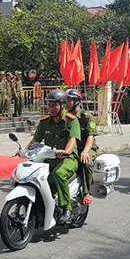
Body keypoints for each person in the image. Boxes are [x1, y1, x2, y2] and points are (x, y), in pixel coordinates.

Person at [27, 89, 81, 224]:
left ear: (62, 105)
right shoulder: (44, 122)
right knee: (36, 178)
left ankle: (66, 208)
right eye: (49, 105)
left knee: (58, 174)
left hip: (68, 159)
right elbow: (35, 140)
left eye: (54, 105)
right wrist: (23, 151)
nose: (50, 108)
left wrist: (66, 152)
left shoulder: (71, 121)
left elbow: (72, 140)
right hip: (49, 158)